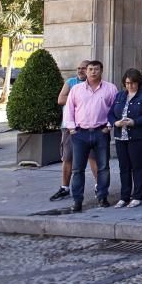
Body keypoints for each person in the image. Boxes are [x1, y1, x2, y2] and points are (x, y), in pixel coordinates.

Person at [63, 60, 118, 212]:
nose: (93, 72)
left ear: (101, 71)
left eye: (96, 69)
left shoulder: (110, 88)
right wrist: (72, 128)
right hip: (80, 133)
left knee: (103, 167)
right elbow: (69, 109)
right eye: (90, 69)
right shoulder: (76, 89)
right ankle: (77, 200)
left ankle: (102, 197)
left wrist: (109, 126)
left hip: (101, 132)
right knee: (77, 169)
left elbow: (115, 109)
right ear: (86, 72)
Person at [50, 60, 98, 201]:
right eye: (78, 68)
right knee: (68, 157)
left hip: (89, 127)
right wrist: (79, 98)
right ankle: (65, 187)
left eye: (84, 68)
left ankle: (98, 186)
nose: (80, 70)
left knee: (92, 157)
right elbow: (60, 99)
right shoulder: (71, 82)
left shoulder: (95, 85)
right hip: (69, 127)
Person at [111, 68, 142, 208]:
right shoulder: (119, 96)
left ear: (138, 83)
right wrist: (114, 123)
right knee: (124, 167)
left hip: (138, 136)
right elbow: (110, 113)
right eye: (128, 83)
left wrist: (134, 122)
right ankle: (124, 196)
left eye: (133, 83)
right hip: (120, 136)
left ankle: (137, 195)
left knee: (138, 166)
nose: (130, 86)